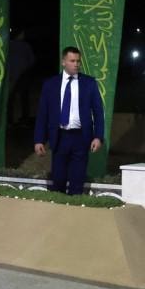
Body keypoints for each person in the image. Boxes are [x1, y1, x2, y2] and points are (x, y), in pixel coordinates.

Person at [33, 46, 105, 195]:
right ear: (63, 62)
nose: (76, 64)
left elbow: (98, 112)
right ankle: (59, 207)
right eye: (72, 61)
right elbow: (43, 114)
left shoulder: (89, 83)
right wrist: (39, 140)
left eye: (78, 61)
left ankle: (75, 207)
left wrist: (98, 137)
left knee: (77, 182)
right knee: (58, 180)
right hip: (59, 137)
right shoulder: (50, 84)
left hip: (81, 138)